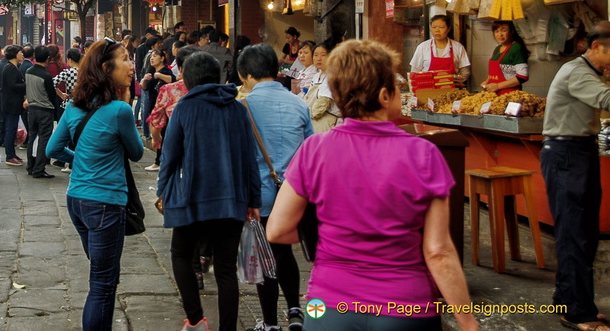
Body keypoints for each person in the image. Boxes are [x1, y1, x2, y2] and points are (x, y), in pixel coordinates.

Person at [266, 39, 477, 331]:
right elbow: (438, 251)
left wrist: (330, 242)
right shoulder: (423, 153)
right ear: (384, 95)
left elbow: (277, 230)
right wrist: (467, 321)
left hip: (326, 306)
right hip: (406, 306)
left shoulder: (314, 149)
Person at [156, 51, 261, 331]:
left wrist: (163, 190)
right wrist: (254, 199)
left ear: (188, 80)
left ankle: (196, 319)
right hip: (232, 200)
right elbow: (250, 158)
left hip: (193, 197)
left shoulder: (184, 108)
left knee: (180, 253)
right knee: (225, 268)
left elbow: (170, 155)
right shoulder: (238, 108)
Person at [46, 39, 143, 331]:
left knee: (102, 277)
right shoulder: (119, 111)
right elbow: (137, 153)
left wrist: (80, 160)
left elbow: (54, 149)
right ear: (106, 68)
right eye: (125, 59)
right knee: (102, 285)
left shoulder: (75, 108)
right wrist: (124, 101)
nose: (131, 65)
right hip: (105, 204)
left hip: (76, 200)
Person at [237, 44, 312, 331]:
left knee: (263, 257)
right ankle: (294, 309)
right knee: (283, 252)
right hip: (293, 193)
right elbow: (309, 150)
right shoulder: (299, 104)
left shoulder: (243, 106)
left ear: (245, 75)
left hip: (260, 195)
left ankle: (269, 323)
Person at [541, 23, 610, 331]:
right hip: (567, 155)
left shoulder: (589, 72)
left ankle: (567, 297)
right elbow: (606, 100)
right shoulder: (578, 72)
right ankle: (577, 312)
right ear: (597, 48)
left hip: (578, 152)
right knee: (576, 233)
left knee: (581, 231)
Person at [24, 45, 62, 179]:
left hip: (32, 108)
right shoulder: (45, 76)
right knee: (44, 139)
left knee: (32, 137)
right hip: (45, 110)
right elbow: (51, 95)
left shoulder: (28, 71)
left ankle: (30, 166)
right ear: (47, 58)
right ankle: (39, 169)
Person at [409, 14, 471, 86]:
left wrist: (457, 81)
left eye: (441, 27)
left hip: (452, 90)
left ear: (448, 29)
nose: (437, 30)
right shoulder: (423, 47)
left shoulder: (458, 47)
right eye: (434, 27)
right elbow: (415, 71)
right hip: (428, 89)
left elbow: (465, 71)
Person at [141, 48, 176, 172]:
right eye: (151, 56)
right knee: (157, 135)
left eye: (155, 56)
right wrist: (145, 80)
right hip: (154, 108)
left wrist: (159, 75)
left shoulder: (166, 71)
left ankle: (160, 161)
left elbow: (173, 80)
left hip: (164, 110)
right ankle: (159, 161)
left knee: (162, 135)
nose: (152, 58)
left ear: (162, 58)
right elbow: (144, 88)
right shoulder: (151, 71)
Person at [481, 20, 530, 95]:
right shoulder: (497, 49)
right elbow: (494, 73)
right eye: (496, 31)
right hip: (494, 95)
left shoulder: (517, 48)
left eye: (504, 31)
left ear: (512, 31)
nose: (500, 34)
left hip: (510, 95)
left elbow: (522, 77)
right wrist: (487, 81)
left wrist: (497, 86)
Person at [0, 45, 27, 166]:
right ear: (15, 54)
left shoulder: (14, 67)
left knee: (12, 128)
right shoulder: (10, 68)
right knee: (10, 129)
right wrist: (26, 85)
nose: (22, 55)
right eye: (20, 53)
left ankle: (12, 153)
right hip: (11, 103)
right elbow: (12, 86)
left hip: (13, 102)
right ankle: (9, 155)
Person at [304, 43, 338, 132]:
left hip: (329, 123)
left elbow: (321, 105)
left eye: (323, 55)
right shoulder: (316, 76)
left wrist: (305, 113)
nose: (319, 58)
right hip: (314, 121)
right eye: (315, 55)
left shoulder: (333, 76)